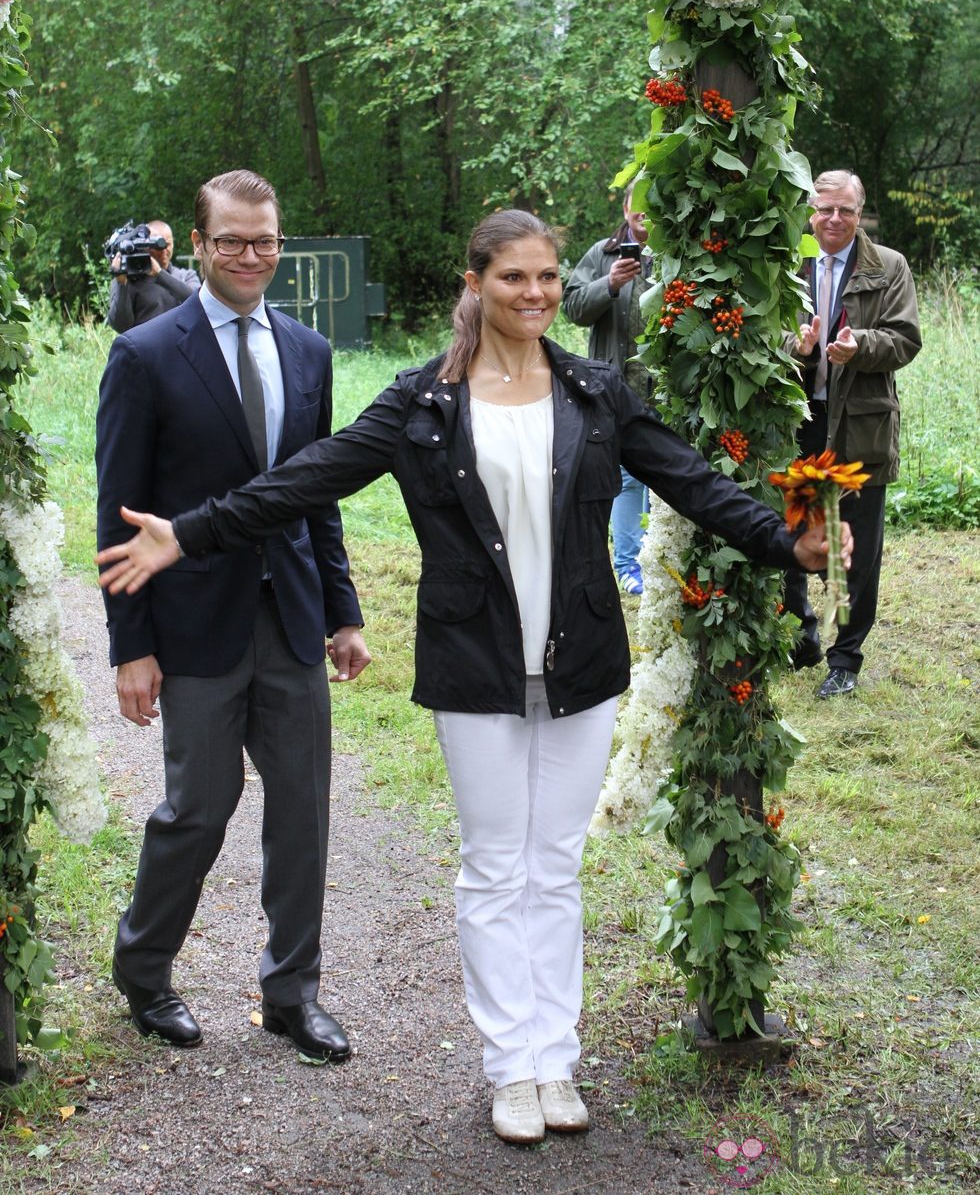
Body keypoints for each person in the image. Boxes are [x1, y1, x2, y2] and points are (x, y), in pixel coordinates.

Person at [97, 209, 848, 1144]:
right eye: (513, 279)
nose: (534, 294)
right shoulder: (422, 404)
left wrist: (787, 543)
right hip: (474, 661)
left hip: (580, 661)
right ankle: (510, 1068)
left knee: (557, 865)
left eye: (545, 278)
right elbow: (308, 479)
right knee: (496, 867)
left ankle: (555, 1059)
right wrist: (188, 531)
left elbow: (694, 482)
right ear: (474, 284)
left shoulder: (597, 390)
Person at [96, 169, 370, 1059]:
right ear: (200, 247)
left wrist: (343, 611)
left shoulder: (308, 350)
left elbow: (318, 496)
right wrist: (129, 646)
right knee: (198, 809)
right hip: (193, 623)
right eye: (231, 242)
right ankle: (143, 970)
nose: (250, 256)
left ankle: (292, 993)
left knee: (302, 809)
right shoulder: (144, 354)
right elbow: (119, 515)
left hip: (288, 616)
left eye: (265, 241)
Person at [784, 169, 921, 699]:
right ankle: (803, 636)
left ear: (859, 214)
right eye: (824, 209)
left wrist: (857, 346)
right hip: (801, 422)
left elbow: (905, 339)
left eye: (845, 210)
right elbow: (766, 335)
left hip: (860, 423)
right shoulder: (789, 264)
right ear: (811, 212)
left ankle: (846, 659)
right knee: (794, 528)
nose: (833, 219)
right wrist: (793, 348)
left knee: (857, 545)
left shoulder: (888, 266)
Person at [562, 181, 654, 594]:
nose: (645, 211)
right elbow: (572, 307)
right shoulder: (603, 254)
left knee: (665, 479)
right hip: (614, 387)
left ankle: (662, 562)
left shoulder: (683, 255)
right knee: (627, 479)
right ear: (626, 207)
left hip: (666, 389)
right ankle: (628, 564)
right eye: (639, 203)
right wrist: (610, 284)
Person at [106, 218, 200, 332]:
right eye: (158, 246)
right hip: (144, 348)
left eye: (168, 244)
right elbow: (121, 326)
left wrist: (160, 274)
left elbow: (198, 303)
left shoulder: (185, 276)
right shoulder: (129, 280)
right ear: (145, 246)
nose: (164, 250)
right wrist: (121, 283)